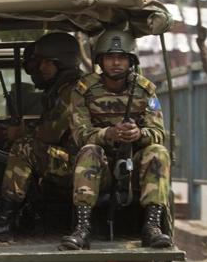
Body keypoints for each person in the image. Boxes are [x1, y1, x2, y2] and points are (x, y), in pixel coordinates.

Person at [60, 29, 172, 250]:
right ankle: (82, 229)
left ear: (130, 61)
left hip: (134, 168)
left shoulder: (145, 90)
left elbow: (158, 132)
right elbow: (80, 135)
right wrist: (108, 134)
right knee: (90, 149)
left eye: (121, 58)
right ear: (101, 61)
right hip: (99, 168)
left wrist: (139, 134)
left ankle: (152, 227)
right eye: (110, 58)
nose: (116, 63)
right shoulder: (84, 90)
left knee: (158, 151)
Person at [0, 32, 83, 242]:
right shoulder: (64, 89)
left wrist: (19, 133)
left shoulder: (72, 91)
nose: (40, 69)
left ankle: (3, 222)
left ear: (61, 62)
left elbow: (50, 133)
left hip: (82, 165)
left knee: (24, 147)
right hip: (80, 162)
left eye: (46, 63)